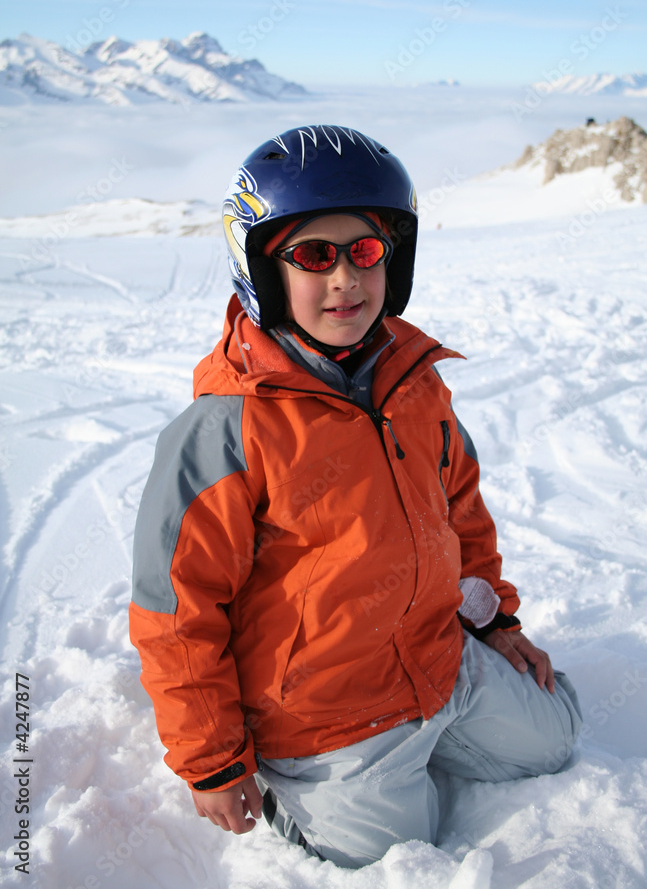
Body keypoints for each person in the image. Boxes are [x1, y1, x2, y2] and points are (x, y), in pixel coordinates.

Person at [129, 125, 582, 869]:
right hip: (325, 711)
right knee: (392, 854)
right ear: (263, 268)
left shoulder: (413, 382)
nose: (345, 278)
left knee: (557, 738)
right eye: (314, 255)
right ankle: (295, 795)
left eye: (364, 251)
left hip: (438, 660)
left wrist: (495, 621)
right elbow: (176, 606)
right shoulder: (226, 426)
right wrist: (210, 757)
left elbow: (459, 510)